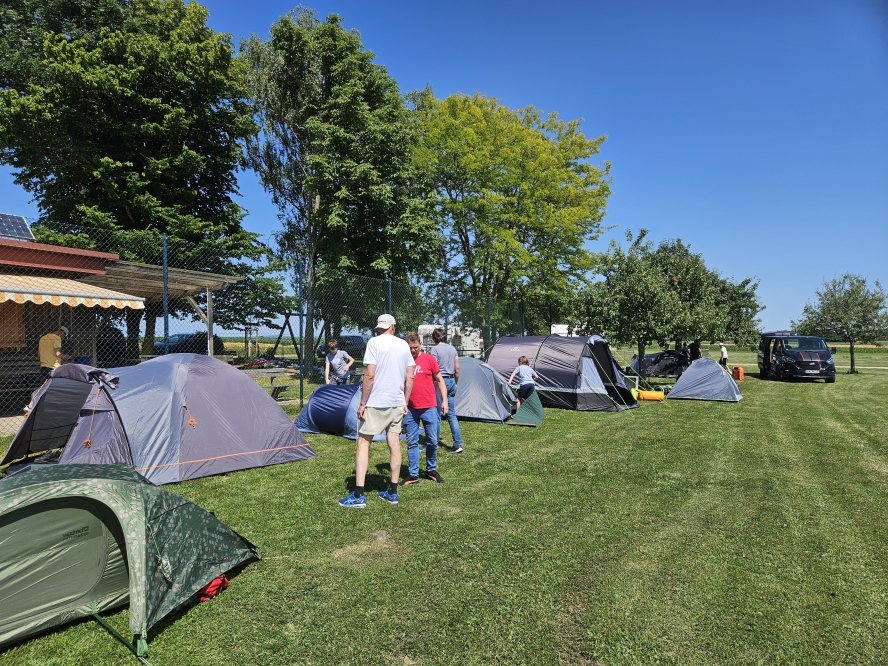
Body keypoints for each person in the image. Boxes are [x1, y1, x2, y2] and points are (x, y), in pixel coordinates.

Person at [339, 314, 414, 508]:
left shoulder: (373, 342)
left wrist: (363, 403)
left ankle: (358, 495)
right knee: (394, 444)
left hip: (376, 402)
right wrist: (405, 401)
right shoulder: (405, 345)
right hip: (397, 402)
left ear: (382, 327)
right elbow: (410, 376)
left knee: (363, 444)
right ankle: (393, 491)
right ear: (393, 327)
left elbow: (370, 375)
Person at [400, 332, 448, 486]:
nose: (413, 350)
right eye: (410, 348)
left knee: (432, 441)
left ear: (420, 344)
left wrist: (445, 401)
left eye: (415, 347)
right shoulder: (403, 361)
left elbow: (440, 380)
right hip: (410, 409)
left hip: (429, 407)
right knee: (412, 442)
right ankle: (413, 474)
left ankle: (431, 469)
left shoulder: (429, 359)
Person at [429, 327, 464, 454]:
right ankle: (458, 444)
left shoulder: (434, 349)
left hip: (440, 382)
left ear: (434, 338)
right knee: (452, 414)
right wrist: (456, 382)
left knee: (437, 414)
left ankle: (434, 443)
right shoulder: (453, 349)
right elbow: (457, 368)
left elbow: (433, 367)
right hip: (451, 381)